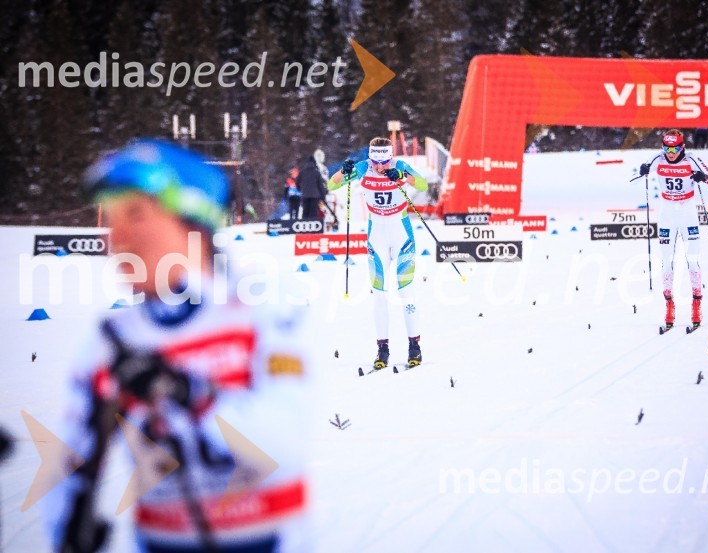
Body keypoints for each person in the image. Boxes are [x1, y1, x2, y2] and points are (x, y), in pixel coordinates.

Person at [44, 140, 313, 552]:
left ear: (194, 223)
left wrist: (188, 392)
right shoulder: (112, 339)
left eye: (136, 214)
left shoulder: (261, 306)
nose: (116, 236)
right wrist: (70, 523)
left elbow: (283, 447)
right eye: (110, 218)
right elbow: (65, 471)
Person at [327, 137, 428, 368]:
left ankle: (414, 346)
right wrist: (343, 171)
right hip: (377, 238)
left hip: (402, 236)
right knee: (379, 295)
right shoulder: (363, 168)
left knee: (406, 292)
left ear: (390, 158)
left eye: (384, 162)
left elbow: (422, 185)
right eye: (376, 162)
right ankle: (383, 350)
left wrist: (403, 176)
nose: (380, 167)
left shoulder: (399, 166)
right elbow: (332, 185)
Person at [639, 129, 708, 331]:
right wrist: (643, 170)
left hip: (687, 212)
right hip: (667, 214)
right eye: (667, 148)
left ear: (682, 147)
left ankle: (696, 305)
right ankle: (669, 306)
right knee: (666, 261)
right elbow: (640, 172)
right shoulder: (658, 158)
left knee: (692, 260)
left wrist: (702, 177)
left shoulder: (691, 159)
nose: (670, 153)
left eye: (674, 149)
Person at [296, 154, 326, 219]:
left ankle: (304, 224)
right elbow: (320, 185)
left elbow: (297, 182)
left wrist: (300, 189)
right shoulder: (316, 172)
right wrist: (323, 196)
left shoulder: (302, 172)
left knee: (305, 212)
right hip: (315, 196)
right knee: (313, 212)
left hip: (305, 195)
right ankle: (312, 223)